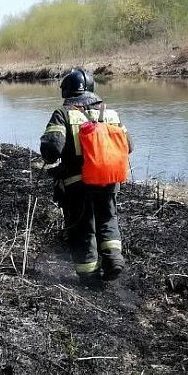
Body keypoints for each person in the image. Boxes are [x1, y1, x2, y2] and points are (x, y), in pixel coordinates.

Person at [40, 68, 132, 285]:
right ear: (91, 88)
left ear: (67, 91)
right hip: (108, 180)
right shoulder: (111, 113)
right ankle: (113, 259)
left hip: (77, 184)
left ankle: (89, 275)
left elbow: (52, 150)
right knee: (108, 219)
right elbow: (129, 146)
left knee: (82, 228)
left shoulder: (63, 114)